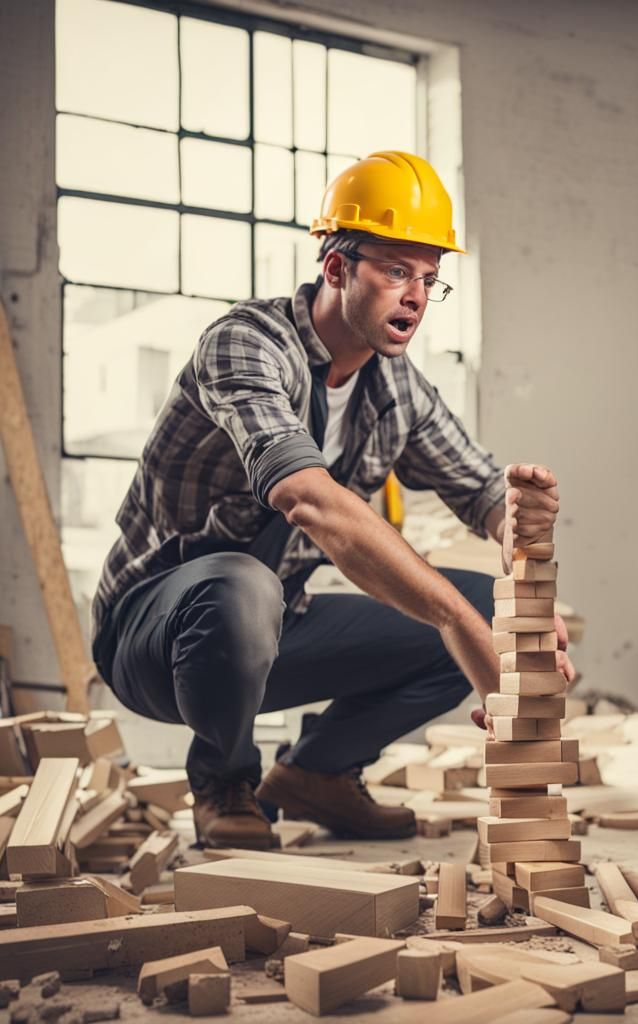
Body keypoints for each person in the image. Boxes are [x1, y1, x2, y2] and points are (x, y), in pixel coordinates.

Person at [91, 151, 574, 849]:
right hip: (152, 635)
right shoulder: (247, 345)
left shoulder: (394, 386)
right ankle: (226, 779)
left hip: (273, 622)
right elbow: (308, 499)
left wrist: (519, 540)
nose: (415, 295)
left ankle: (317, 773)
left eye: (429, 280)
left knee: (486, 608)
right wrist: (455, 620)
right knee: (248, 586)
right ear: (338, 268)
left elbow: (478, 488)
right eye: (397, 271)